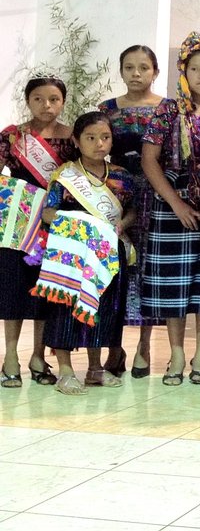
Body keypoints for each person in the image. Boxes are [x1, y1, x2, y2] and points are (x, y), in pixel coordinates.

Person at [141, 32, 200, 387]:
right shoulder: (169, 110)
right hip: (174, 202)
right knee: (173, 282)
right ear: (184, 71)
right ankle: (177, 352)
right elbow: (150, 162)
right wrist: (175, 202)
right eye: (194, 69)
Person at [37, 112, 135, 394]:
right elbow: (47, 212)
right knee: (66, 308)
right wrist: (80, 222)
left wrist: (121, 225)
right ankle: (66, 371)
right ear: (77, 141)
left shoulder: (121, 175)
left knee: (104, 308)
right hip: (72, 254)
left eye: (105, 137)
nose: (99, 144)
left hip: (108, 252)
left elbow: (131, 213)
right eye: (91, 138)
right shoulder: (65, 175)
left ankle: (95, 368)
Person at [97, 45, 170, 379]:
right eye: (129, 67)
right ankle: (115, 346)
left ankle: (144, 345)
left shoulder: (169, 109)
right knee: (117, 268)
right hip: (116, 193)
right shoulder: (107, 110)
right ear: (121, 71)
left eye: (144, 67)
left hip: (158, 195)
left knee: (150, 269)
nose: (136, 74)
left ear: (155, 72)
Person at [0, 77, 75, 389]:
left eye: (54, 99)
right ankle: (10, 357)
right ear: (28, 101)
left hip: (56, 223)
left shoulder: (72, 136)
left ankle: (38, 356)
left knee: (47, 291)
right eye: (39, 99)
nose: (47, 106)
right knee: (15, 290)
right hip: (18, 225)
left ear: (62, 102)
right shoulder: (14, 136)